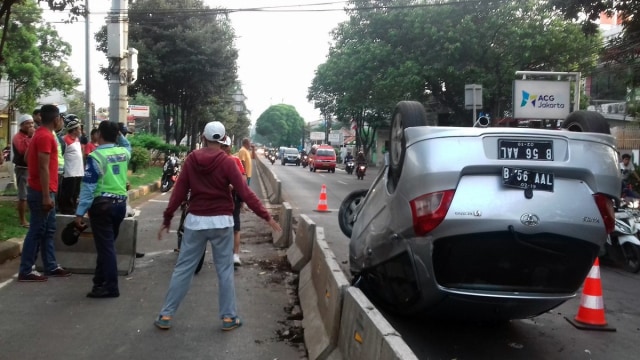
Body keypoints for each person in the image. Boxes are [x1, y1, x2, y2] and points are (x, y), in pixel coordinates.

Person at [155, 121, 281, 331]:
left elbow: (178, 192)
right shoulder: (228, 162)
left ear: (203, 138)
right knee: (224, 270)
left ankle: (166, 315)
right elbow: (245, 192)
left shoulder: (191, 160)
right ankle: (229, 318)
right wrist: (266, 216)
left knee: (183, 269)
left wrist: (167, 219)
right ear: (223, 140)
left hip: (195, 221)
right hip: (222, 222)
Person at [74, 120, 131, 298]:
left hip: (102, 206)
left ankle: (111, 286)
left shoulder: (95, 156)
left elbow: (89, 187)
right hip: (120, 206)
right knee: (106, 245)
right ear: (117, 135)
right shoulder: (123, 153)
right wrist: (118, 135)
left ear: (99, 134)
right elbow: (127, 144)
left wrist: (79, 213)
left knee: (106, 247)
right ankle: (98, 282)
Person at [18, 104, 71, 282]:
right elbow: (43, 166)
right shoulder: (46, 137)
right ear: (56, 119)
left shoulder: (39, 135)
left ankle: (50, 266)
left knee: (48, 230)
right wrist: (46, 196)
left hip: (45, 189)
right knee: (37, 230)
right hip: (42, 191)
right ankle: (26, 270)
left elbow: (27, 158)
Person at [221, 136, 246, 266]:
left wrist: (237, 190)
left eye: (226, 146)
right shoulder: (214, 161)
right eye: (222, 146)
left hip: (233, 199)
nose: (224, 149)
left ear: (230, 147)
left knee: (235, 228)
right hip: (218, 200)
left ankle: (235, 254)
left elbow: (242, 180)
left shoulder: (235, 160)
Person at [12, 114, 35, 227]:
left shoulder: (33, 135)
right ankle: (22, 220)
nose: (31, 125)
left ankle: (32, 217)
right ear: (21, 125)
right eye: (27, 123)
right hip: (22, 169)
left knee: (32, 194)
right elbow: (23, 151)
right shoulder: (17, 137)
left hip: (32, 168)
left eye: (32, 123)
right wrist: (30, 138)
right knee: (23, 195)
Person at [58, 116, 84, 215]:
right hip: (69, 172)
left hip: (78, 171)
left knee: (75, 192)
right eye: (78, 128)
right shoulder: (64, 140)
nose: (80, 130)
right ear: (73, 130)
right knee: (68, 192)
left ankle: (73, 208)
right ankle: (66, 209)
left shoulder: (77, 139)